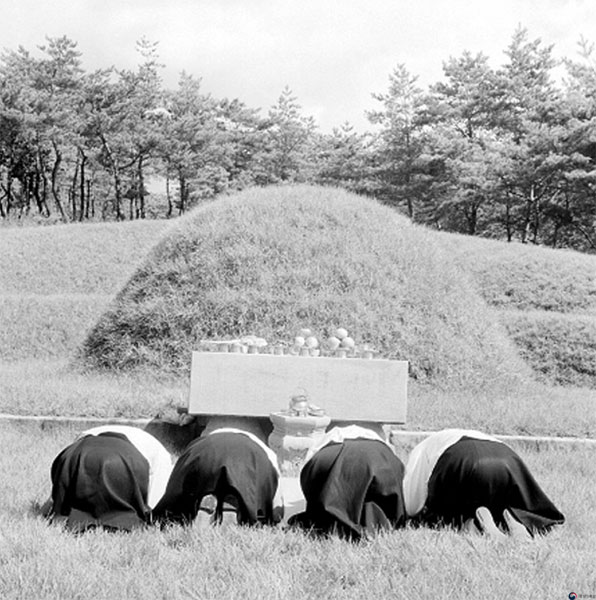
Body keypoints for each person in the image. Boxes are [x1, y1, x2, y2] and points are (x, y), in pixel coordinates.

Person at [402, 428, 565, 538]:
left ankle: (471, 524)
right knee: (511, 502)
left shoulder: (421, 448)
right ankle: (515, 521)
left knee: (440, 515)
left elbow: (412, 500)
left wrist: (412, 516)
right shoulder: (473, 435)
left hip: (460, 459)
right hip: (505, 458)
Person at [45, 425, 173, 532]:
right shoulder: (161, 453)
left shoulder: (87, 433)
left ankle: (70, 516)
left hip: (76, 453)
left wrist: (57, 505)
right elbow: (156, 501)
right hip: (122, 460)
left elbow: (66, 478)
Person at [288, 425, 406, 540]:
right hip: (378, 459)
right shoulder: (384, 450)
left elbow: (309, 476)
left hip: (331, 457)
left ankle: (334, 515)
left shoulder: (325, 445)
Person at [153, 428, 284, 527]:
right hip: (248, 458)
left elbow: (174, 486)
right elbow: (276, 503)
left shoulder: (200, 442)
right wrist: (271, 516)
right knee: (248, 496)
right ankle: (234, 505)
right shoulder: (267, 451)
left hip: (202, 453)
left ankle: (200, 503)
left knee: (186, 502)